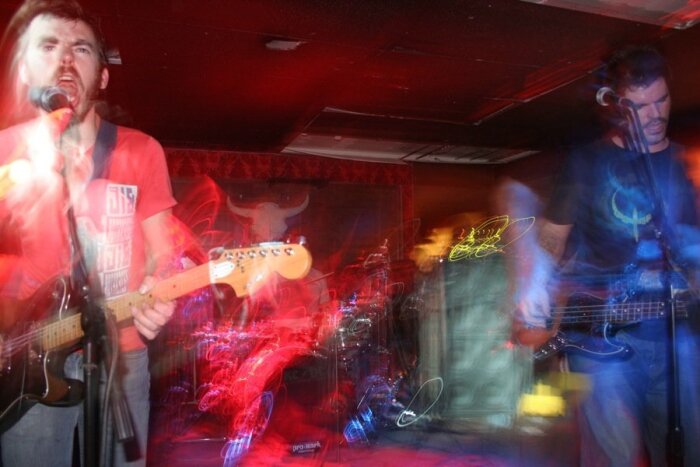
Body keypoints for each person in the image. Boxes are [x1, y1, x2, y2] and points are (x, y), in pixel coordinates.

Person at [0, 1, 177, 466]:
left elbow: (165, 253)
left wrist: (161, 288)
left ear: (102, 76)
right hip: (28, 355)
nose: (65, 60)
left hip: (122, 352)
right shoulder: (5, 151)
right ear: (26, 69)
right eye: (48, 46)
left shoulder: (141, 150)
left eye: (81, 49)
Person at [513, 45, 700, 466]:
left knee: (689, 450)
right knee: (612, 456)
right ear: (616, 109)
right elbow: (551, 238)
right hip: (601, 338)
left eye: (662, 100)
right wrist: (535, 288)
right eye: (640, 107)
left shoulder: (677, 164)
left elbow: (690, 248)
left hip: (673, 334)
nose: (655, 115)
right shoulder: (588, 162)